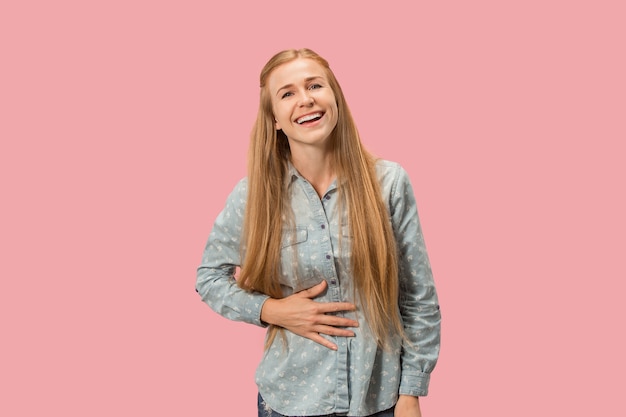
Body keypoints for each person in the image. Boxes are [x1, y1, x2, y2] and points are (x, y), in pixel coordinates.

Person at [196, 48, 441, 417]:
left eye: (314, 85)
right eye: (288, 93)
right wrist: (272, 311)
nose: (305, 99)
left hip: (380, 402)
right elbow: (209, 278)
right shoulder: (253, 196)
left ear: (335, 98)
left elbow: (418, 298)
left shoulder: (388, 183)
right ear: (275, 119)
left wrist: (412, 391)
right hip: (289, 401)